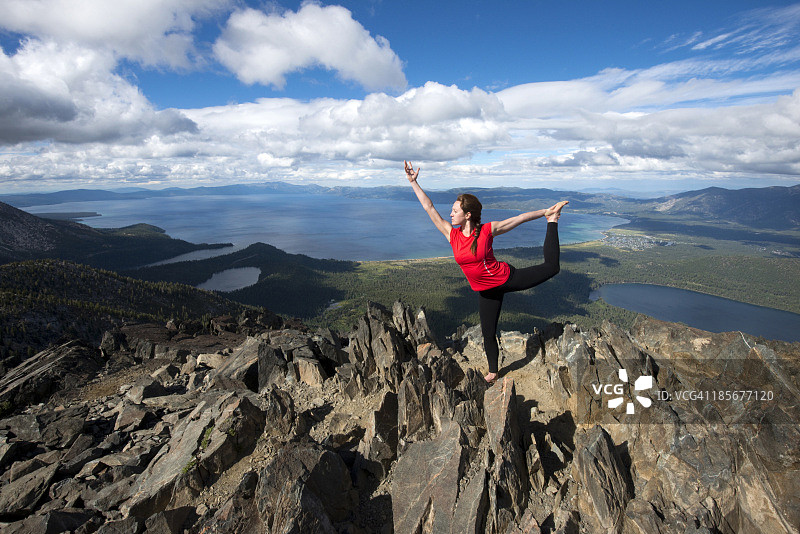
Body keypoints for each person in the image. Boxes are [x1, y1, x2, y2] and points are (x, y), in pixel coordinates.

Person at [405, 160, 568, 384]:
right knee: (488, 332)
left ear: (468, 215)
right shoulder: (451, 235)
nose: (450, 214)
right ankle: (493, 372)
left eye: (455, 211)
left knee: (552, 267)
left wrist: (546, 213)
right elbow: (429, 207)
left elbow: (518, 219)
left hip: (507, 278)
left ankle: (553, 221)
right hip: (487, 291)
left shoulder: (487, 230)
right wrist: (413, 182)